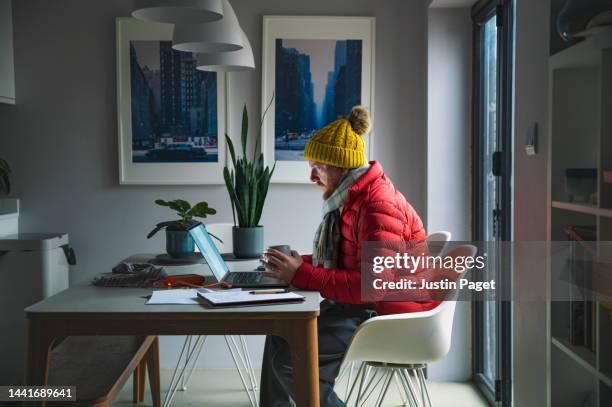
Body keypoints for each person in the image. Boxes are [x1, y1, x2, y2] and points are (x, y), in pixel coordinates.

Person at [259, 106, 437, 407]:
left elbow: (375, 285)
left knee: (292, 362)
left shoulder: (377, 206)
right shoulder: (353, 198)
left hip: (388, 315)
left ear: (342, 167)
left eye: (319, 166)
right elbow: (348, 261)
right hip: (367, 305)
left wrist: (301, 274)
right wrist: (297, 263)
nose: (312, 176)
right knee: (280, 331)